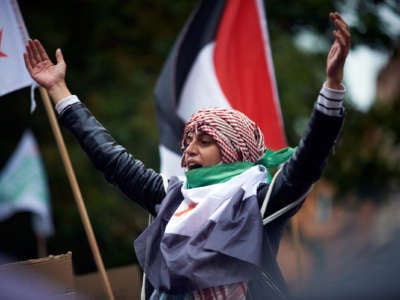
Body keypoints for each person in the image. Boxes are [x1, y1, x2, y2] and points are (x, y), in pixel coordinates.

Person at [24, 11, 350, 300]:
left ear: (235, 150)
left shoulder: (259, 203)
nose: (190, 149)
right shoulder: (171, 198)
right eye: (188, 140)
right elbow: (110, 157)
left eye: (205, 141)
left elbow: (309, 159)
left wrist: (333, 85)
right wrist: (59, 91)